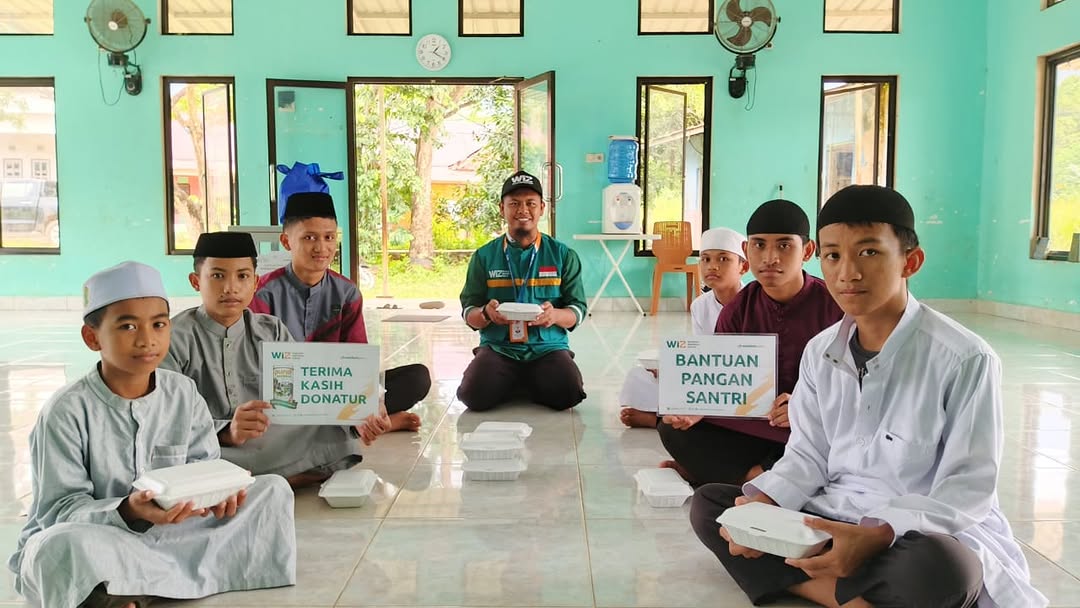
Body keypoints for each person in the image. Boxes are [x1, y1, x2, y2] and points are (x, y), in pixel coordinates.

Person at [690, 185, 1047, 608]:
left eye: (869, 252)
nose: (847, 273)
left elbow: (967, 488)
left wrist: (877, 534)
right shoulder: (820, 352)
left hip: (912, 529)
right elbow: (807, 454)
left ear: (910, 261)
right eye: (833, 255)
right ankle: (853, 597)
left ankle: (810, 582)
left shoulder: (965, 359)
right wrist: (765, 501)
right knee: (711, 506)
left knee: (944, 568)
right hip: (830, 512)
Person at [9, 261, 296, 608]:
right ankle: (138, 584)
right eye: (128, 326)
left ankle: (128, 588)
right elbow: (59, 510)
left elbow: (205, 468)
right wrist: (129, 510)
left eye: (158, 324)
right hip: (107, 536)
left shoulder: (183, 392)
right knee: (58, 546)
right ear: (92, 337)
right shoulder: (66, 411)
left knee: (272, 491)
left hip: (180, 531)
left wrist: (220, 493)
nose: (147, 340)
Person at [164, 231, 390, 488]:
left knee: (333, 428)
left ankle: (244, 484)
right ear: (196, 281)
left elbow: (306, 390)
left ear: (255, 282)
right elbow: (165, 417)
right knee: (171, 455)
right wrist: (226, 431)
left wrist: (360, 410)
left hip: (267, 437)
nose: (230, 288)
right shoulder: (174, 338)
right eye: (217, 276)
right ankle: (283, 479)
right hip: (211, 446)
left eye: (242, 276)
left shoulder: (271, 329)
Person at [658, 199, 843, 485]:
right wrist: (698, 406)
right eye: (759, 245)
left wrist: (803, 407)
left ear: (807, 251)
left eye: (784, 245)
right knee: (673, 429)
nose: (770, 258)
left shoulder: (835, 307)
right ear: (746, 250)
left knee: (841, 443)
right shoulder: (737, 310)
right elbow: (722, 381)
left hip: (810, 426)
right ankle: (762, 477)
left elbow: (855, 388)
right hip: (755, 425)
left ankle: (734, 475)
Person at [251, 192, 431, 432]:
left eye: (329, 237)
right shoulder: (263, 293)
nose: (321, 247)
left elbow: (357, 356)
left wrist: (375, 400)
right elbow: (256, 364)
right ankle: (358, 426)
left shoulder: (347, 293)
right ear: (286, 242)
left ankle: (359, 422)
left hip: (333, 389)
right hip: (284, 393)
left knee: (417, 378)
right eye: (309, 237)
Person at [457, 170, 588, 411]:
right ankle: (519, 380)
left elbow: (578, 310)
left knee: (569, 394)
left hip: (547, 348)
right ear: (502, 208)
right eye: (514, 203)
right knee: (473, 396)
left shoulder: (563, 255)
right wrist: (486, 313)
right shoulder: (484, 256)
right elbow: (468, 312)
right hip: (500, 348)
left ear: (542, 208)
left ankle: (519, 382)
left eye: (530, 203)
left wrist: (554, 315)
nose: (523, 210)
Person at [619, 227, 748, 428]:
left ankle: (658, 420)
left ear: (743, 266)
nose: (712, 266)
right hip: (707, 377)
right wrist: (671, 368)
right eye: (705, 259)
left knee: (741, 398)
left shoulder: (755, 303)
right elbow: (702, 355)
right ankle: (680, 415)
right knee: (639, 376)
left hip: (741, 381)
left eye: (723, 259)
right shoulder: (700, 306)